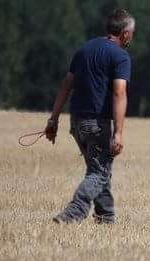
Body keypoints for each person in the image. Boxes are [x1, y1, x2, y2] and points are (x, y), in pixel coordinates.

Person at [45, 9, 135, 224]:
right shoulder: (121, 56)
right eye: (132, 32)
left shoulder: (84, 49)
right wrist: (119, 133)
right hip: (97, 124)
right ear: (125, 34)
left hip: (76, 122)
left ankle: (105, 218)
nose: (132, 36)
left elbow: (66, 85)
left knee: (99, 169)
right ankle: (73, 213)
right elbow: (119, 92)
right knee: (99, 173)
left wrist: (53, 119)